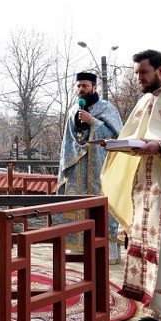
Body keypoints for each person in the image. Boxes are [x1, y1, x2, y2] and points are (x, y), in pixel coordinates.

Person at [102, 49, 161, 321]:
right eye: (137, 73)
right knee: (148, 246)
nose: (139, 78)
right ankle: (155, 306)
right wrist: (119, 145)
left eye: (144, 72)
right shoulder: (143, 101)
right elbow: (132, 135)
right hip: (146, 186)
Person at [58, 72, 123, 263]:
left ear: (95, 87)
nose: (81, 89)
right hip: (78, 165)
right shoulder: (72, 111)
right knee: (76, 203)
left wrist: (93, 122)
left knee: (104, 204)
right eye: (78, 86)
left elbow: (117, 134)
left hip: (101, 165)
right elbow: (68, 141)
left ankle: (109, 248)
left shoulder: (107, 108)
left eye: (84, 86)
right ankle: (78, 246)